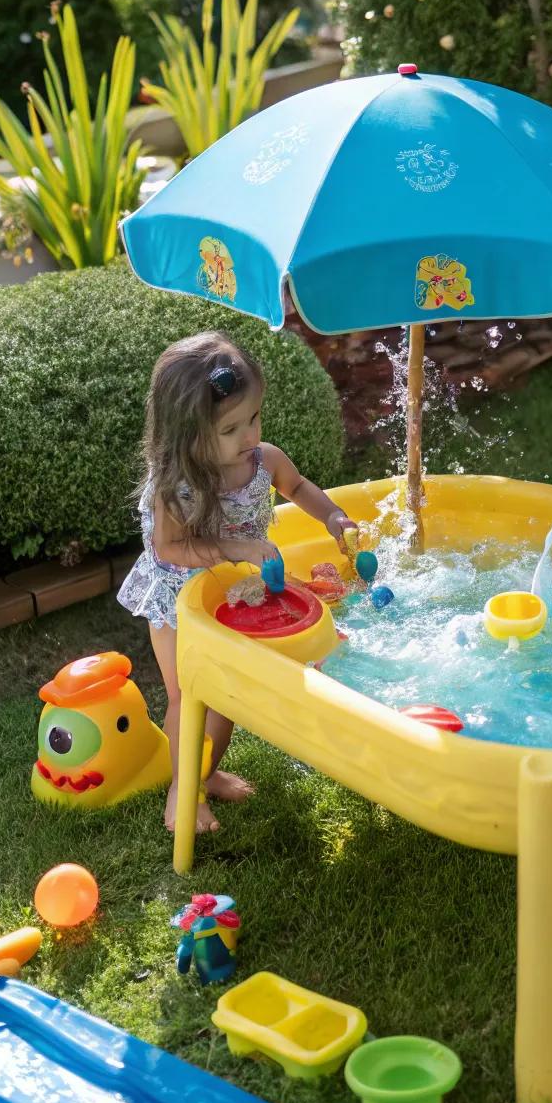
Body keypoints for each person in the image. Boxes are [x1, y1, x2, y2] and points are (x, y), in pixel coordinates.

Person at [118, 332, 356, 833]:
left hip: (230, 597)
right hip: (180, 601)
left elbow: (298, 487)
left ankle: (205, 773)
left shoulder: (262, 461)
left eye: (253, 418)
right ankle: (182, 794)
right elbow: (170, 548)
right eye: (231, 428)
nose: (249, 435)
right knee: (190, 696)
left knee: (223, 700)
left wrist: (332, 516)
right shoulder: (176, 487)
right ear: (188, 434)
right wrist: (238, 548)